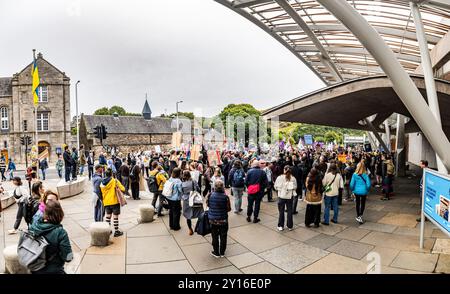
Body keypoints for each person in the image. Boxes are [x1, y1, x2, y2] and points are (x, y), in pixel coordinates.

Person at [29, 200, 73, 274]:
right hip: (54, 270)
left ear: (45, 213)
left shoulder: (33, 227)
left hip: (35, 269)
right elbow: (68, 257)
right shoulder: (60, 232)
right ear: (60, 214)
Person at [207, 180, 231, 258]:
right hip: (223, 220)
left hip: (213, 220)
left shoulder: (210, 195)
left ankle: (216, 252)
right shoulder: (226, 197)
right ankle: (222, 252)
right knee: (223, 236)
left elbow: (208, 205)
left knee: (214, 236)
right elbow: (229, 209)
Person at [100, 168, 125, 237]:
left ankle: (108, 230)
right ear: (111, 174)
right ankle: (116, 231)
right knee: (115, 216)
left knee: (108, 216)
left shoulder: (102, 182)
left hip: (106, 201)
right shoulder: (115, 181)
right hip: (114, 201)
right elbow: (123, 189)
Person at [274, 165, 297, 231]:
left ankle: (281, 226)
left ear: (284, 170)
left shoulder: (279, 177)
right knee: (289, 211)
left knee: (281, 211)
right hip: (289, 197)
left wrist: (280, 188)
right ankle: (290, 226)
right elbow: (295, 187)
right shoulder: (293, 178)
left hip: (281, 196)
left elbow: (275, 186)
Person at [181, 170, 203, 235]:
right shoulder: (193, 182)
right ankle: (198, 227)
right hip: (194, 199)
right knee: (199, 213)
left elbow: (181, 192)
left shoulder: (182, 184)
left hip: (186, 200)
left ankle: (190, 230)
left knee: (188, 216)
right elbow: (198, 189)